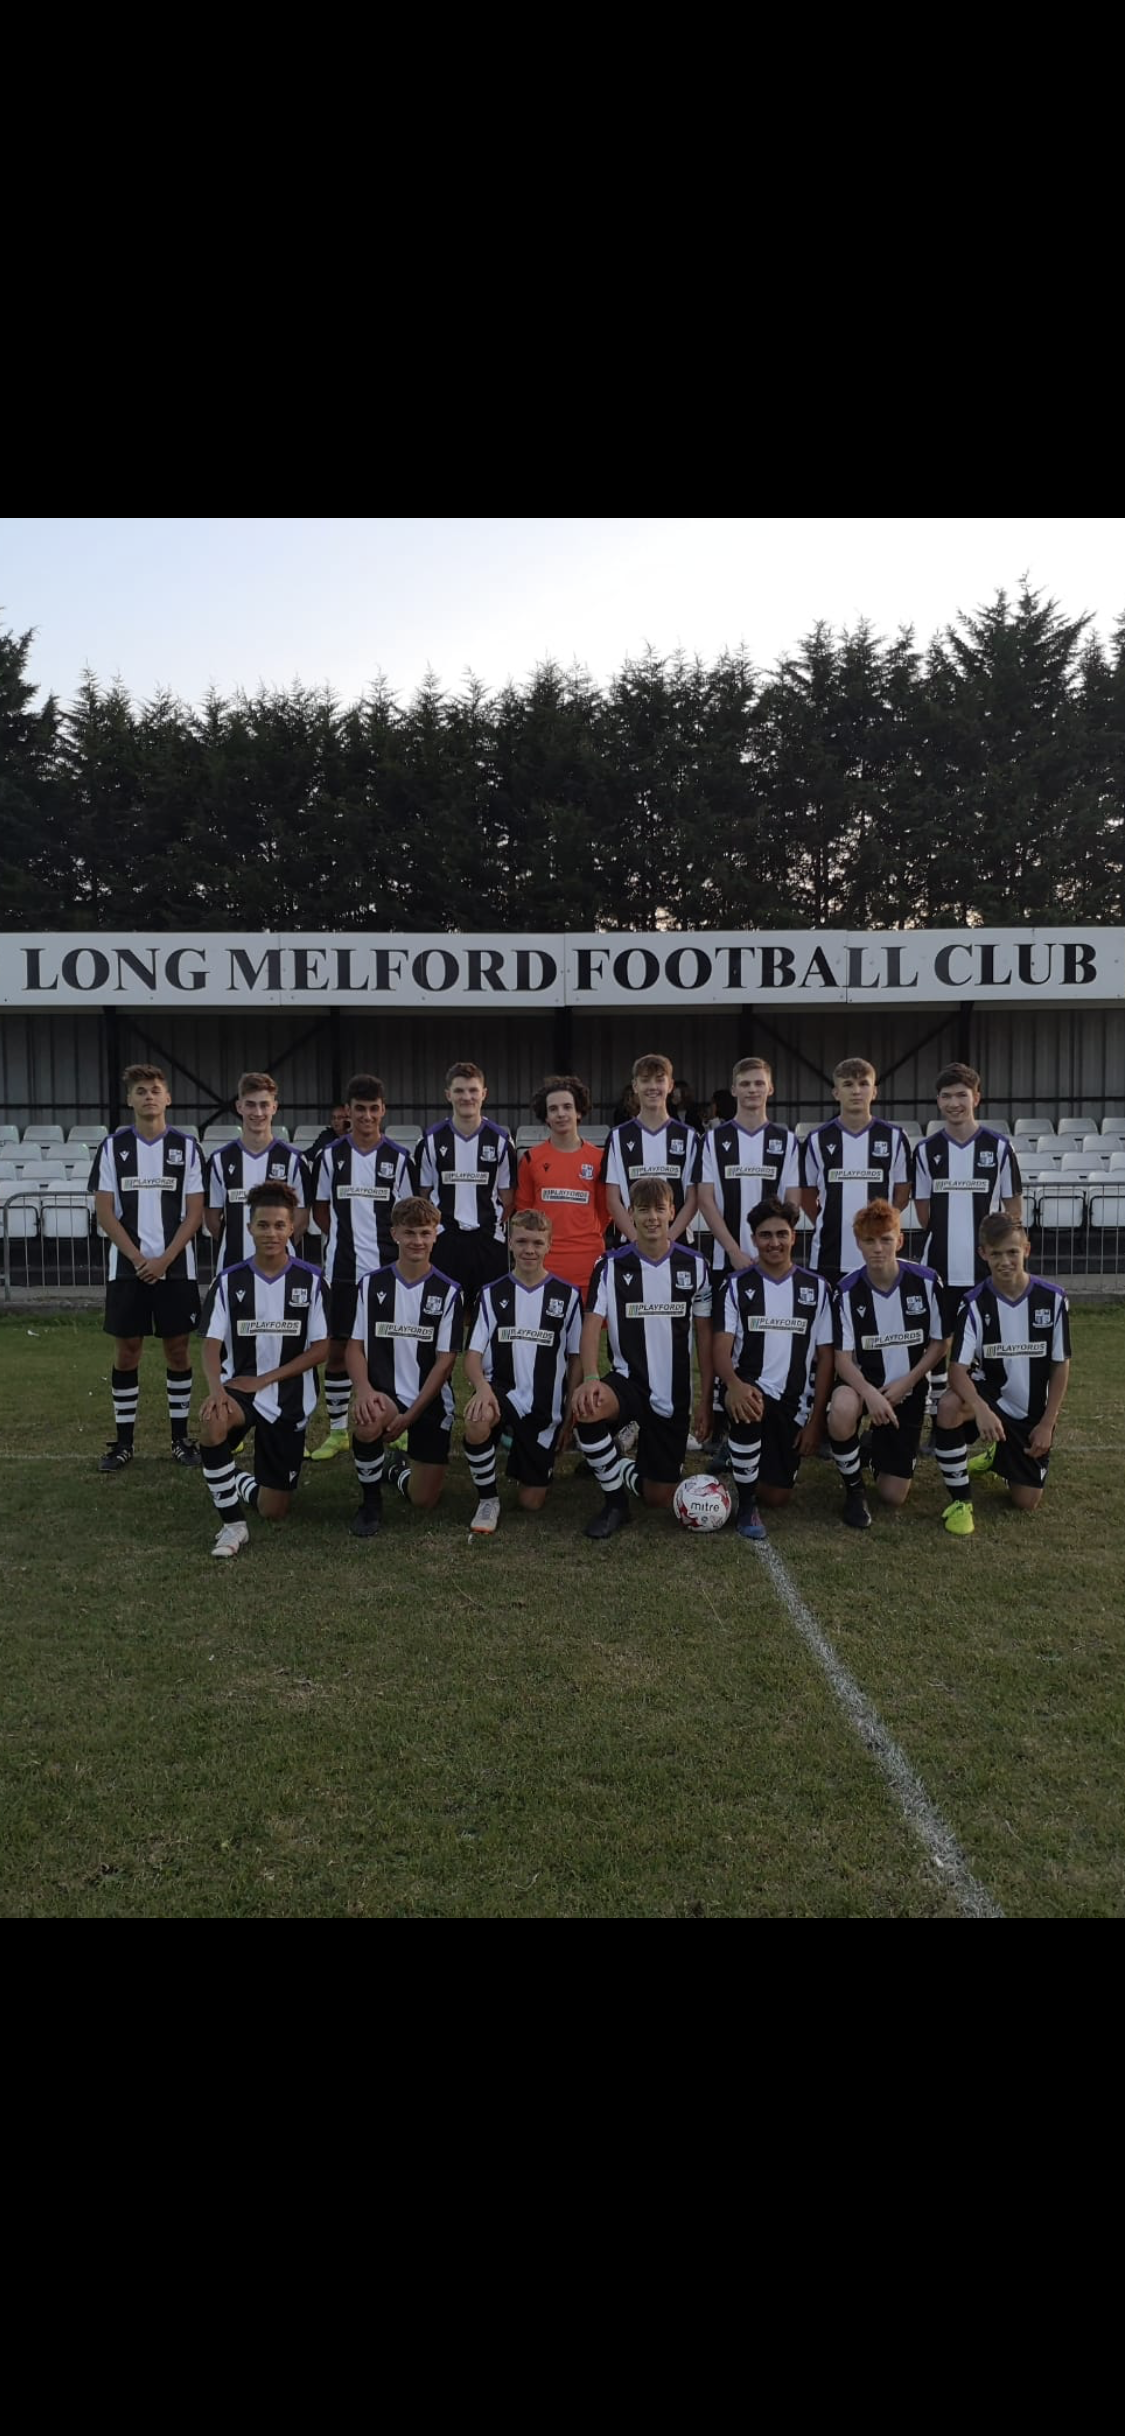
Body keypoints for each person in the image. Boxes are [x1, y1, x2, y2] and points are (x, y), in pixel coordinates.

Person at [572, 1175, 712, 1539]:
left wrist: (706, 1398)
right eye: (643, 1209)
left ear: (672, 1213)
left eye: (659, 1209)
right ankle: (615, 1504)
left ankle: (615, 1462)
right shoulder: (609, 1265)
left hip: (674, 1393)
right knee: (588, 1407)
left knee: (658, 1498)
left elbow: (705, 1335)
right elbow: (591, 1325)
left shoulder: (695, 1265)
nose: (652, 1217)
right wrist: (591, 1377)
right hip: (628, 1381)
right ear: (630, 1214)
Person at [198, 1183, 328, 1558]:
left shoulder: (312, 1280)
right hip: (239, 1389)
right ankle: (232, 1525)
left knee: (274, 1510)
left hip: (289, 1395)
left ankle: (235, 1480)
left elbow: (322, 1348)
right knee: (213, 1422)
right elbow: (210, 1343)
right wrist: (217, 1390)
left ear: (292, 1229)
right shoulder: (229, 1281)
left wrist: (266, 1379)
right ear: (250, 1228)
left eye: (279, 1225)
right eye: (263, 1225)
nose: (271, 1233)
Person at [92, 1064, 205, 1472]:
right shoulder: (113, 1147)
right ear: (130, 1100)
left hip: (177, 1269)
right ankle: (124, 1443)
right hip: (128, 1270)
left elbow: (194, 1213)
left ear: (168, 1098)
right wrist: (140, 1260)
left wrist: (165, 1260)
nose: (148, 1097)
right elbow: (105, 1212)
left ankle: (180, 1439)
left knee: (178, 1350)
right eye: (140, 1091)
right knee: (127, 1353)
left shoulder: (187, 1147)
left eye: (155, 1090)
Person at [933, 1215, 1071, 1537]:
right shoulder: (973, 1303)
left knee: (1026, 1502)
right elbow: (957, 1371)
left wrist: (1047, 1424)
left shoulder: (1053, 1300)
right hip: (990, 1396)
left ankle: (1000, 1454)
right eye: (995, 1254)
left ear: (1027, 1249)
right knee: (949, 1406)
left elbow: (1060, 1365)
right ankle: (961, 1501)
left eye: (1012, 1252)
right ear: (983, 1253)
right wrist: (980, 1409)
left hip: (1030, 1411)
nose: (1005, 1261)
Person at [712, 1198, 835, 1540]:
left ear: (794, 1236)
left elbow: (826, 1358)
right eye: (765, 1235)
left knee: (778, 1497)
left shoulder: (817, 1289)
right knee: (749, 1403)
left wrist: (816, 1422)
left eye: (782, 1234)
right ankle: (746, 1505)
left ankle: (737, 1456)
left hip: (793, 1402)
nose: (774, 1242)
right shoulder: (736, 1285)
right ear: (754, 1239)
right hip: (749, 1388)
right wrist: (734, 1384)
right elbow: (720, 1348)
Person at [309, 1074, 416, 1461]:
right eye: (359, 1109)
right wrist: (346, 1239)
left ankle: (398, 1425)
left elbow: (408, 1215)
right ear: (347, 1111)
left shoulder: (399, 1158)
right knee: (337, 1350)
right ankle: (338, 1430)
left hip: (389, 1273)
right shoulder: (329, 1156)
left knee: (392, 1348)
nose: (367, 1116)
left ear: (383, 1110)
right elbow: (321, 1211)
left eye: (373, 1109)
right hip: (342, 1272)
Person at [345, 1197, 462, 1536]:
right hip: (386, 1394)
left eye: (425, 1233)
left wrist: (410, 1418)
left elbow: (445, 1363)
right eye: (409, 1233)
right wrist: (364, 1391)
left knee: (424, 1500)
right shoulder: (372, 1285)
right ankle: (370, 1504)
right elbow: (354, 1347)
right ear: (394, 1233)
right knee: (368, 1417)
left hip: (430, 1401)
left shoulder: (448, 1291)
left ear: (436, 1235)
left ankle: (394, 1471)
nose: (417, 1241)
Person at [462, 1210, 583, 1533]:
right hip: (501, 1391)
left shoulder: (568, 1295)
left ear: (549, 1245)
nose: (529, 1250)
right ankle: (488, 1499)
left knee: (531, 1503)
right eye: (522, 1242)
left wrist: (569, 1413)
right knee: (477, 1418)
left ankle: (525, 1453)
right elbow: (471, 1357)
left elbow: (576, 1359)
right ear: (510, 1243)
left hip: (544, 1406)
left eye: (537, 1243)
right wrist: (482, 1389)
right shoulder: (491, 1293)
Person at [828, 1199, 945, 1528]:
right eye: (869, 1240)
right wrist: (869, 1393)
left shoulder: (926, 1281)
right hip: (862, 1385)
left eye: (885, 1239)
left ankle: (872, 1446)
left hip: (907, 1388)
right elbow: (841, 1360)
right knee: (842, 1408)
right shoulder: (846, 1291)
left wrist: (908, 1382)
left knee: (893, 1496)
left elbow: (940, 1343)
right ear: (858, 1243)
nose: (878, 1248)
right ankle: (854, 1491)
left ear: (900, 1240)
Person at [910, 1063, 1023, 1401]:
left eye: (962, 1095)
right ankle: (937, 1406)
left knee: (986, 1336)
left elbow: (1013, 1209)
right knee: (937, 1338)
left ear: (976, 1098)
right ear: (938, 1101)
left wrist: (998, 1251)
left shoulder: (999, 1147)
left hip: (984, 1266)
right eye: (946, 1096)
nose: (954, 1103)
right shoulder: (926, 1150)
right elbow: (923, 1212)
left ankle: (980, 1404)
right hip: (939, 1264)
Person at [416, 1061, 515, 1323]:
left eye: (473, 1090)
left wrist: (492, 1227)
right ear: (448, 1095)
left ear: (484, 1093)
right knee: (442, 1315)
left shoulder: (501, 1141)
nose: (467, 1097)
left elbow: (508, 1198)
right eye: (459, 1091)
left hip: (488, 1240)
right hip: (445, 1238)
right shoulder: (431, 1141)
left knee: (490, 1317)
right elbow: (423, 1195)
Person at [799, 1056, 911, 1284]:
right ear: (836, 1093)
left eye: (863, 1084)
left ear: (874, 1091)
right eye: (848, 1084)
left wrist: (879, 1224)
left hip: (879, 1257)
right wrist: (827, 1220)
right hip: (829, 1253)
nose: (856, 1091)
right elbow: (807, 1194)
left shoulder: (894, 1137)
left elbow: (902, 1193)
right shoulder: (817, 1139)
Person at [513, 1074, 609, 1305]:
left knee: (587, 1327)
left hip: (587, 1259)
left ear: (579, 1112)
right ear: (546, 1116)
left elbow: (605, 1212)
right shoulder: (531, 1159)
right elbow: (524, 1213)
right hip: (545, 1262)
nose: (561, 1114)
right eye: (553, 1109)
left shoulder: (599, 1159)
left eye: (567, 1107)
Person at [203, 1070, 309, 1274]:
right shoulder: (219, 1160)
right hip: (232, 1269)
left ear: (274, 1107)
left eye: (264, 1105)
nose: (258, 1113)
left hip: (282, 1271)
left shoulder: (294, 1160)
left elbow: (301, 1220)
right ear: (239, 1107)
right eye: (250, 1104)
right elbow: (213, 1220)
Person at [603, 1052, 701, 1248]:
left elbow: (693, 1198)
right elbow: (612, 1199)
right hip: (631, 1244)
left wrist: (668, 1240)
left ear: (670, 1085)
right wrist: (637, 1240)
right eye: (645, 1080)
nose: (653, 1087)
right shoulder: (617, 1137)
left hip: (677, 1243)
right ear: (635, 1086)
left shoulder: (689, 1137)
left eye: (659, 1080)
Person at [305, 1103, 350, 1173]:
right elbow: (310, 1154)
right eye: (333, 1118)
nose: (336, 1121)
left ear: (348, 1119)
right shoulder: (326, 1136)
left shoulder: (355, 1138)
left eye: (340, 1118)